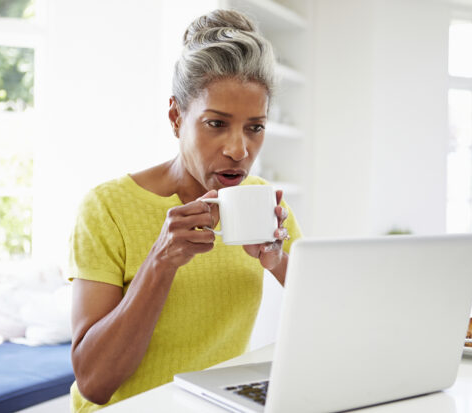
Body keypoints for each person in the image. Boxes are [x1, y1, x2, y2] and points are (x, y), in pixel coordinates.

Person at [68, 9, 302, 412]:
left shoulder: (266, 206)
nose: (238, 150)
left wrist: (278, 262)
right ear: (177, 117)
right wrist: (160, 263)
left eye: (255, 127)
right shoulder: (106, 208)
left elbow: (337, 325)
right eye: (216, 124)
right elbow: (94, 383)